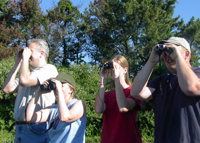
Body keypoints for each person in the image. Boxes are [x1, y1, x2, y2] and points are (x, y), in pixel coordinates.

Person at [130, 37, 200, 143]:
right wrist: (151, 61)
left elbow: (190, 88)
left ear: (186, 54)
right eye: (164, 53)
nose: (167, 57)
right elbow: (136, 92)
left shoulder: (197, 74)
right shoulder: (162, 80)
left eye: (171, 51)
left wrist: (176, 55)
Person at [2, 39, 58, 143]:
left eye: (30, 51)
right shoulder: (28, 73)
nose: (26, 54)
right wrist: (17, 64)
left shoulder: (49, 69)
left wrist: (25, 59)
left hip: (36, 128)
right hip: (20, 128)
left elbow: (24, 80)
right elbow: (7, 88)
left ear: (41, 53)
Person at [26, 73, 86, 143]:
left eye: (61, 85)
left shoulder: (79, 104)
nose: (56, 89)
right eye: (56, 86)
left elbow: (65, 117)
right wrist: (38, 93)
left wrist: (59, 90)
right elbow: (29, 118)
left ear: (71, 90)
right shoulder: (53, 109)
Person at [95, 55, 143, 143]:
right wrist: (102, 82)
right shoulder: (107, 95)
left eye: (116, 67)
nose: (113, 70)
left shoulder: (133, 92)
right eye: (111, 67)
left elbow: (123, 107)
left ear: (125, 70)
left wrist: (117, 79)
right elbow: (98, 110)